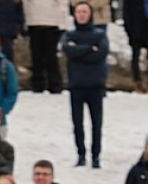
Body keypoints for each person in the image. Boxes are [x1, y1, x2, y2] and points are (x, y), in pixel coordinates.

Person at [60, 1, 107, 169]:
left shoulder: (100, 35)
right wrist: (89, 49)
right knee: (77, 122)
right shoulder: (69, 35)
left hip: (95, 85)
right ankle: (80, 154)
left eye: (84, 12)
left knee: (96, 123)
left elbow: (100, 54)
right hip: (76, 85)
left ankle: (96, 155)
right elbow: (69, 51)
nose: (81, 15)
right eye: (78, 12)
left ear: (90, 14)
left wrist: (79, 51)